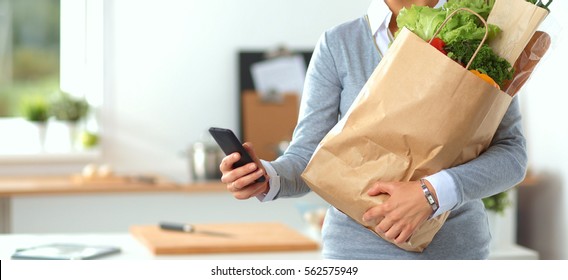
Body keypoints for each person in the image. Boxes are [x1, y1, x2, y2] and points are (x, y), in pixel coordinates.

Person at [219, 0, 527, 259]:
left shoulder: (484, 37)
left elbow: (512, 156)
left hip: (456, 253)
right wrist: (265, 178)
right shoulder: (340, 44)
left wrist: (434, 192)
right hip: (357, 255)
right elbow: (308, 158)